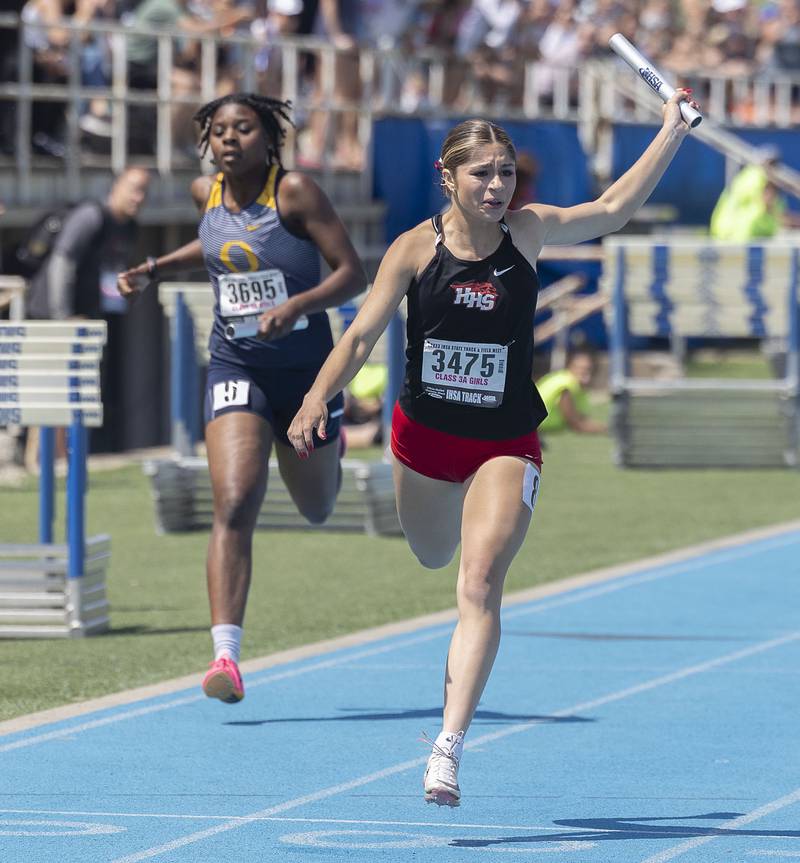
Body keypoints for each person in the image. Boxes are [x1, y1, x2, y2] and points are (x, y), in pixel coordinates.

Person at [287, 89, 699, 807]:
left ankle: (446, 748)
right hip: (423, 441)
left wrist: (671, 130)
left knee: (478, 584)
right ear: (448, 178)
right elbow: (357, 337)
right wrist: (316, 394)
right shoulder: (416, 248)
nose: (497, 186)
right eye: (482, 174)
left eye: (506, 172)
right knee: (431, 552)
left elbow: (612, 210)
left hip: (505, 440)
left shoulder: (529, 233)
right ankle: (447, 718)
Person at [118, 92, 366, 704]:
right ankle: (225, 658)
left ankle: (312, 449)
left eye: (244, 128)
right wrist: (156, 265)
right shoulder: (205, 194)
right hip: (237, 364)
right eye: (220, 130)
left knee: (316, 507)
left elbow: (351, 273)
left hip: (308, 375)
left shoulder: (296, 193)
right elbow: (214, 250)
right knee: (233, 500)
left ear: (268, 136)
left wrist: (297, 306)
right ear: (208, 142)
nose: (230, 139)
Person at [24, 166, 151, 459]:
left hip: (88, 319)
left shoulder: (129, 227)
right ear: (115, 187)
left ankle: (64, 458)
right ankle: (43, 460)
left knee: (78, 390)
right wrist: (62, 318)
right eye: (133, 188)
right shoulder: (92, 217)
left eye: (144, 191)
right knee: (51, 392)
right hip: (55, 317)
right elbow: (61, 262)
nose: (139, 197)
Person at [709, 146, 789, 241]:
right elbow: (768, 205)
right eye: (771, 163)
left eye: (775, 164)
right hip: (738, 236)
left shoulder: (751, 178)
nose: (773, 167)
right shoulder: (754, 179)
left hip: (737, 234)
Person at [536, 347, 607, 435]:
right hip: (529, 430)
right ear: (570, 367)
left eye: (589, 369)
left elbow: (580, 417)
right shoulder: (566, 387)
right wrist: (608, 429)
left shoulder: (562, 378)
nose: (585, 373)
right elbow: (575, 423)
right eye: (581, 369)